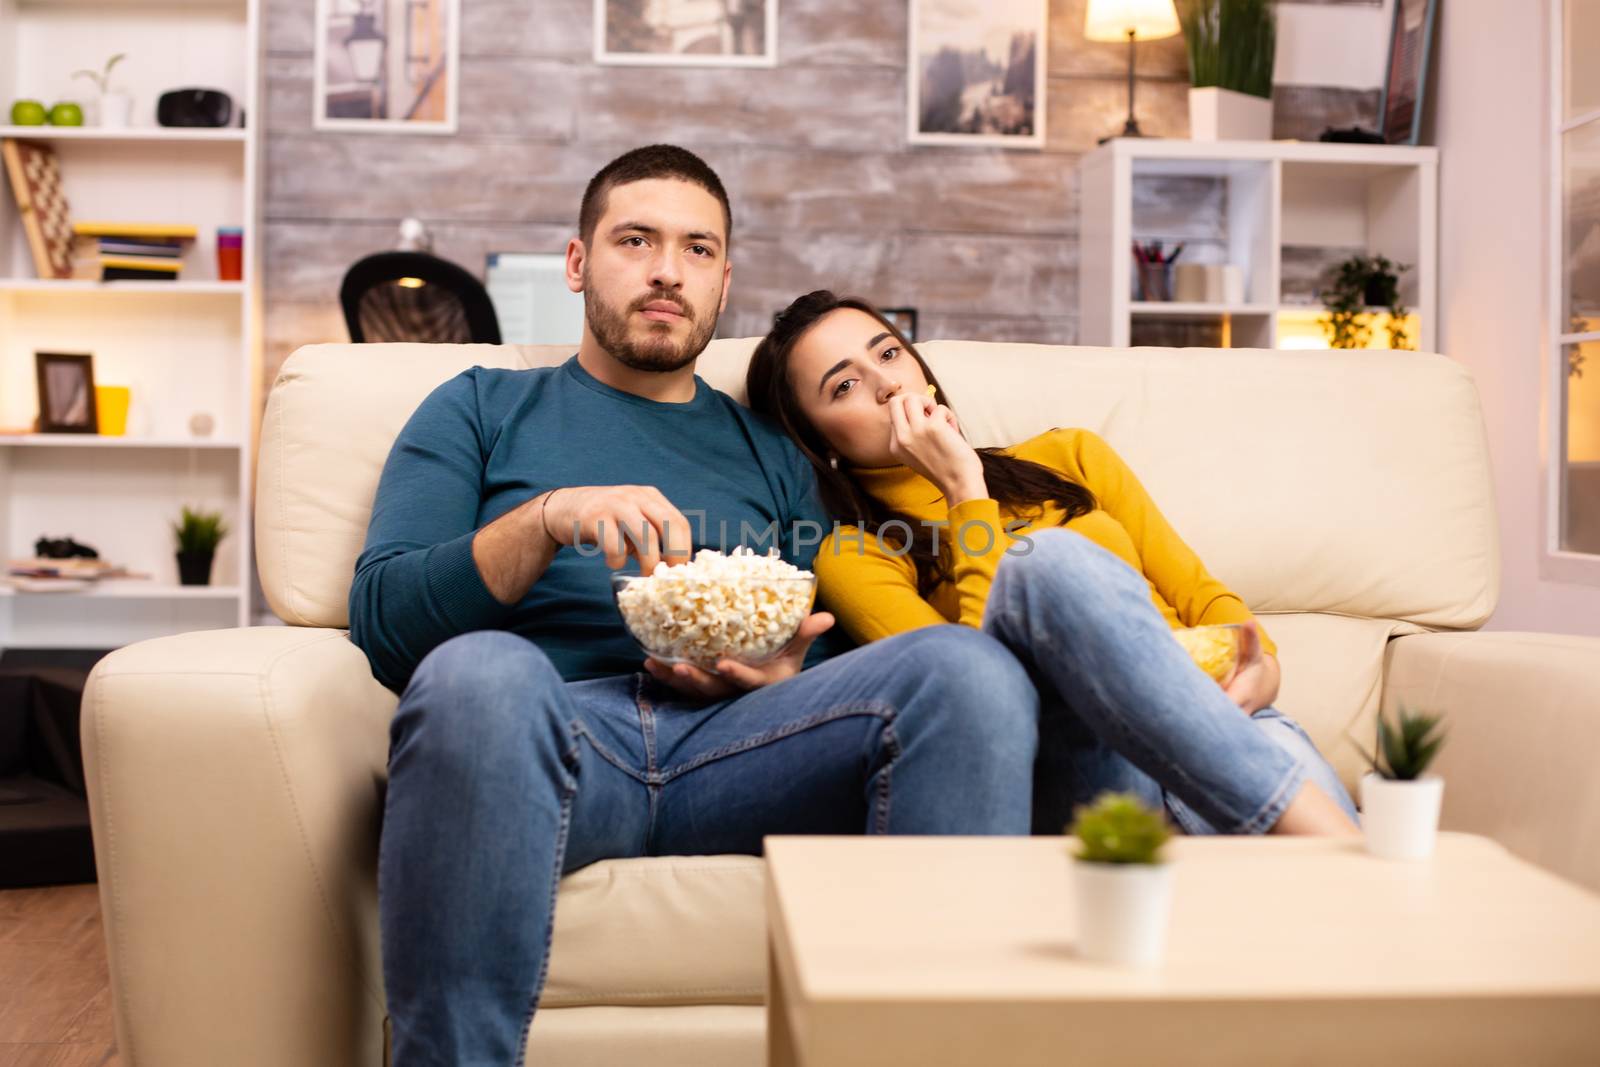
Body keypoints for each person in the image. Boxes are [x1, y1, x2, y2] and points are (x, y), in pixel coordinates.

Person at [348, 150, 1040, 1066]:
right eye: (636, 239)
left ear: (723, 282)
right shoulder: (481, 406)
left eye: (697, 249)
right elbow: (386, 621)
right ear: (578, 264)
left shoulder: (776, 454)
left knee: (967, 670)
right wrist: (551, 517)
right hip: (552, 736)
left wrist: (781, 668)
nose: (667, 268)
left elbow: (839, 647)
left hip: (745, 745)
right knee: (480, 672)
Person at [745, 290, 1360, 839]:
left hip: (1220, 709)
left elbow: (1199, 593)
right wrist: (964, 489)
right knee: (1052, 564)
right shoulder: (855, 554)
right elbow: (976, 686)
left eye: (888, 354)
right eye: (843, 386)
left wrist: (1266, 667)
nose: (887, 385)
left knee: (1337, 910)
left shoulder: (1070, 456)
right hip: (1082, 757)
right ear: (818, 440)